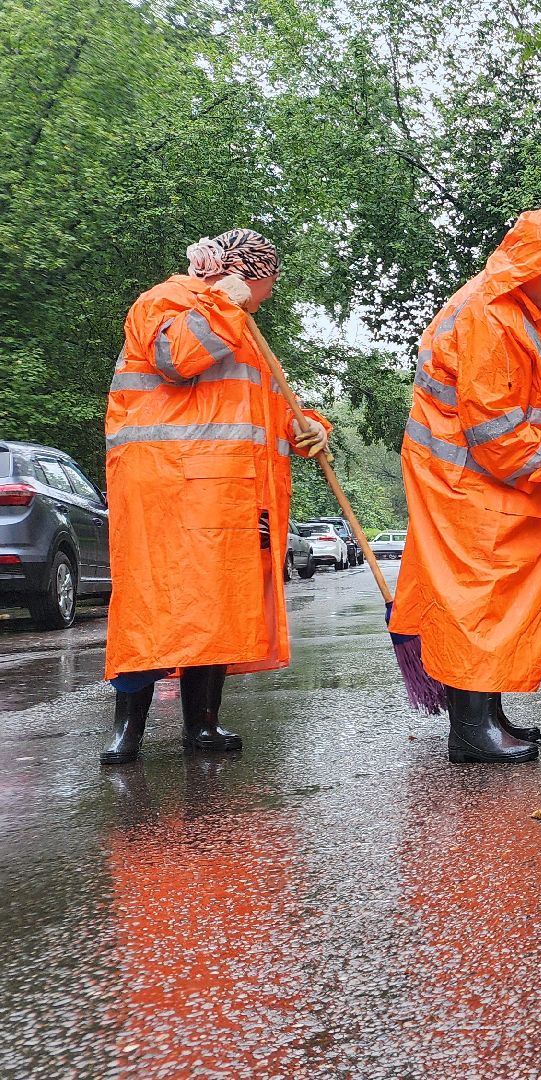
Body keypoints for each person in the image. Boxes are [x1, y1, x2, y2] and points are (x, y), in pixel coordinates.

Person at [389, 208, 541, 764]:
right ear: (526, 266)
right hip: (466, 479)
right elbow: (495, 428)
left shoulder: (526, 304)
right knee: (479, 598)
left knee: (502, 597)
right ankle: (469, 731)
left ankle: (488, 714)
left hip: (501, 477)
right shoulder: (486, 317)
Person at [100, 229, 331, 765]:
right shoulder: (166, 301)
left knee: (218, 609)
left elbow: (265, 408)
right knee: (151, 607)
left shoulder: (246, 331)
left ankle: (202, 725)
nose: (269, 296)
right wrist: (227, 297)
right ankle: (127, 730)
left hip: (227, 496)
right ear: (247, 276)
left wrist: (310, 427)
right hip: (166, 493)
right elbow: (176, 358)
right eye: (268, 283)